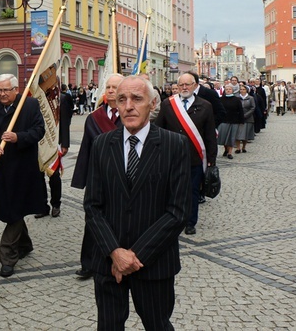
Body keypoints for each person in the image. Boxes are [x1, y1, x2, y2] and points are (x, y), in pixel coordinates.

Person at [84, 76, 190, 330]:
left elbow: (177, 212)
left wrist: (133, 256)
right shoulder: (101, 144)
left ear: (153, 104)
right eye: (122, 99)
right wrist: (115, 252)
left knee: (158, 325)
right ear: (115, 104)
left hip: (154, 263)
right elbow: (92, 206)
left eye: (137, 99)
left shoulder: (174, 145)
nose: (129, 106)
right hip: (108, 262)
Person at [0, 74, 46, 278]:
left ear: (16, 89)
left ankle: (7, 257)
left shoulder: (29, 105)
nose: (1, 94)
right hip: (1, 168)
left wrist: (19, 137)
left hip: (23, 169)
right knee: (11, 207)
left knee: (15, 209)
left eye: (6, 90)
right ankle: (25, 244)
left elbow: (39, 131)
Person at [70, 73, 123, 280]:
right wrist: (82, 178)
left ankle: (116, 259)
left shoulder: (130, 114)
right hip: (98, 177)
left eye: (114, 87)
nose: (110, 90)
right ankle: (88, 263)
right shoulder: (94, 117)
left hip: (123, 177)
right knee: (93, 221)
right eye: (108, 86)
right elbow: (86, 148)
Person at [154, 73, 217, 236]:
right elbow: (158, 130)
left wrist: (211, 160)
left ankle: (190, 222)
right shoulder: (168, 104)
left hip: (194, 158)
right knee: (171, 191)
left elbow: (210, 135)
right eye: (181, 84)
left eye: (187, 84)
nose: (184, 87)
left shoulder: (205, 105)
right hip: (171, 157)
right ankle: (172, 220)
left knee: (192, 192)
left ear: (195, 86)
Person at [35, 81, 73, 219]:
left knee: (54, 176)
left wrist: (65, 143)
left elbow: (65, 123)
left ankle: (56, 204)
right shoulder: (34, 99)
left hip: (54, 143)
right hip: (38, 143)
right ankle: (42, 206)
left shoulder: (61, 99)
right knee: (38, 177)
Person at [217, 84, 243, 160]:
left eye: (230, 89)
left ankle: (230, 152)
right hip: (223, 120)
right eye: (227, 89)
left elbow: (240, 110)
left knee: (232, 137)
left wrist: (241, 120)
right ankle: (226, 149)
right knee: (223, 137)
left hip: (234, 121)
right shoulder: (221, 99)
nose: (228, 90)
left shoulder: (237, 99)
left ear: (232, 90)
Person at [235, 84, 255, 154]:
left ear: (246, 90)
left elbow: (253, 108)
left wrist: (245, 115)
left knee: (245, 134)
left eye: (243, 89)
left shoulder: (251, 98)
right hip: (238, 118)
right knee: (237, 133)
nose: (242, 91)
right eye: (241, 89)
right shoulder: (237, 98)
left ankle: (244, 147)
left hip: (248, 118)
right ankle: (238, 147)